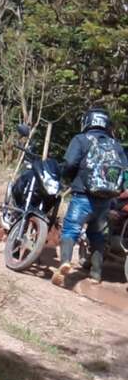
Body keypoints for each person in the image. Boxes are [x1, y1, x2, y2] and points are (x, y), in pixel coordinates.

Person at [53, 108, 128, 287]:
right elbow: (125, 170)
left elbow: (70, 163)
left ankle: (64, 264)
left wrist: (68, 178)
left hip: (82, 196)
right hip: (105, 201)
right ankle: (96, 274)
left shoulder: (81, 139)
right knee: (96, 235)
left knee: (71, 229)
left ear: (87, 121)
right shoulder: (115, 145)